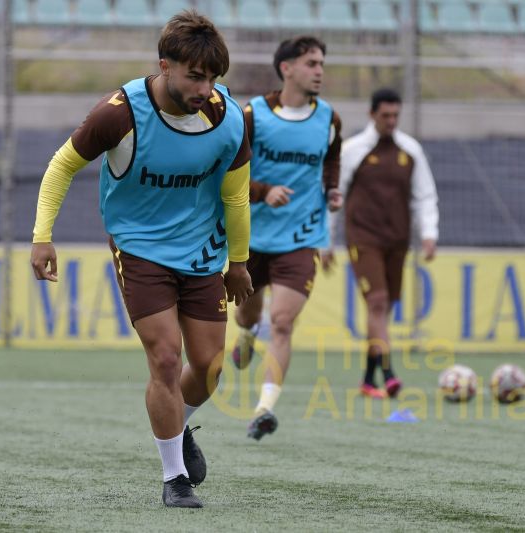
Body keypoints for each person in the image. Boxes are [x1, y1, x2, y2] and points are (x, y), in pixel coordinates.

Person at [29, 10, 253, 508]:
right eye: (195, 75)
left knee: (210, 366)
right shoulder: (120, 113)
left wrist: (238, 263)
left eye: (214, 77)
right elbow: (62, 165)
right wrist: (42, 236)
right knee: (166, 358)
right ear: (164, 65)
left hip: (202, 251)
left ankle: (178, 426)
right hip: (139, 247)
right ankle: (175, 478)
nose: (205, 87)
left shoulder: (229, 118)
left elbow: (236, 198)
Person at [230, 35, 343, 441]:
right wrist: (263, 192)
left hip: (301, 238)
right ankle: (245, 333)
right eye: (312, 63)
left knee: (281, 323)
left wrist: (332, 190)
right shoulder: (253, 115)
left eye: (321, 63)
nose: (319, 71)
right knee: (249, 316)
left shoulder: (329, 117)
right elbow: (230, 170)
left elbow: (330, 158)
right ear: (287, 68)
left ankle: (264, 408)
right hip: (252, 237)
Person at [327, 88, 439, 399]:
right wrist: (326, 240)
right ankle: (389, 373)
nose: (391, 121)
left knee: (384, 310)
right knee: (377, 303)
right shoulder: (353, 150)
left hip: (397, 240)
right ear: (372, 114)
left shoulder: (410, 151)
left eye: (395, 116)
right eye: (385, 115)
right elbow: (334, 196)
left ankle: (367, 379)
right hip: (363, 239)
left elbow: (424, 195)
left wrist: (429, 233)